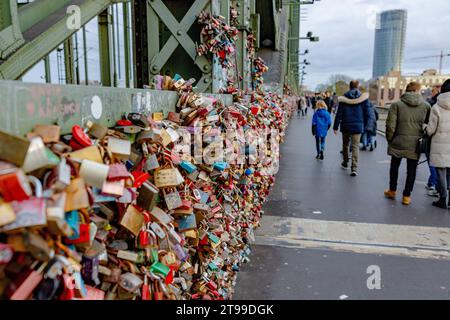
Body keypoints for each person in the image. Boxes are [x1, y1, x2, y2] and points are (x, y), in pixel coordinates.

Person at [384, 82, 431, 206]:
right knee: (412, 170)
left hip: (398, 140)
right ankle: (406, 196)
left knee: (394, 166)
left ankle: (392, 190)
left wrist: (390, 139)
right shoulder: (426, 106)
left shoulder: (396, 105)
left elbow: (390, 125)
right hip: (415, 143)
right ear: (418, 91)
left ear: (406, 90)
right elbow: (429, 125)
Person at [333, 80, 370, 177]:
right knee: (355, 147)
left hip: (346, 125)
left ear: (349, 87)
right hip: (358, 126)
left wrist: (335, 126)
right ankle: (354, 168)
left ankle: (345, 162)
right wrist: (365, 125)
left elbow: (339, 113)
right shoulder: (363, 98)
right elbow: (367, 113)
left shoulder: (344, 98)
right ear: (358, 87)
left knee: (345, 145)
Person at [426, 79, 450, 209]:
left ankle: (443, 199)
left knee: (441, 173)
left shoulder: (436, 107)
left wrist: (425, 128)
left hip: (440, 145)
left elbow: (430, 130)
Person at [425, 85, 442, 197]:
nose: (431, 92)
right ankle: (437, 186)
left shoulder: (434, 105)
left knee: (433, 161)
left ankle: (434, 184)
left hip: (435, 139)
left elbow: (430, 128)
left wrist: (424, 128)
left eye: (433, 90)